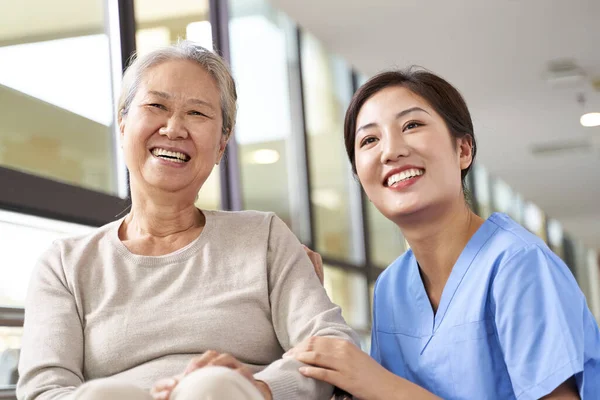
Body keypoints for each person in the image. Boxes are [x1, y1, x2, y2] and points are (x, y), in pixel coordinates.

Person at [17, 41, 358, 400]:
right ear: (122, 124)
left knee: (213, 385)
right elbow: (45, 391)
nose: (174, 128)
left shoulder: (265, 237)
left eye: (197, 113)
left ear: (221, 144)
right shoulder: (66, 264)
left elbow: (331, 343)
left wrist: (260, 387)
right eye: (156, 106)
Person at [287, 68, 600, 399]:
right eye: (369, 140)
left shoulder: (519, 264)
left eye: (412, 125)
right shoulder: (392, 287)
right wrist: (304, 301)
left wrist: (382, 384)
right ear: (361, 180)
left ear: (463, 150)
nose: (390, 151)